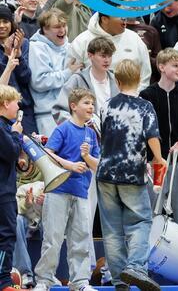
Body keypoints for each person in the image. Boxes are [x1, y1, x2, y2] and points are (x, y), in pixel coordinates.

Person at [96, 59, 165, 291]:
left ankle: (119, 281)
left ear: (117, 81)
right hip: (131, 172)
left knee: (112, 229)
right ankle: (136, 267)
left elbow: (103, 136)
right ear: (139, 79)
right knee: (140, 222)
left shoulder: (106, 105)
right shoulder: (144, 106)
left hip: (105, 172)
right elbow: (152, 135)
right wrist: (158, 158)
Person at [32, 88, 99, 291]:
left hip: (81, 192)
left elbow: (97, 165)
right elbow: (48, 153)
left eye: (92, 103)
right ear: (73, 106)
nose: (91, 107)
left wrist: (86, 157)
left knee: (80, 239)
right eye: (86, 103)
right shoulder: (62, 129)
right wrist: (69, 165)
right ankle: (44, 280)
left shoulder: (91, 134)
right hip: (58, 190)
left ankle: (79, 282)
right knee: (52, 238)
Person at [139, 49, 178, 233]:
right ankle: (151, 250)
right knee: (152, 208)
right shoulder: (147, 95)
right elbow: (142, 129)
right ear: (162, 67)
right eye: (175, 65)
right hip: (156, 161)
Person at [29, 9, 80, 137]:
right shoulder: (37, 47)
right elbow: (39, 81)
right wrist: (68, 72)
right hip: (47, 117)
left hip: (72, 114)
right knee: (53, 157)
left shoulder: (72, 47)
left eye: (64, 25)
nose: (62, 30)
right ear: (45, 29)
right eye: (57, 27)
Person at [0, 85, 22, 291]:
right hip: (3, 193)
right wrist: (16, 135)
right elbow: (11, 151)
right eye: (15, 102)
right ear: (5, 103)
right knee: (6, 235)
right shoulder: (3, 127)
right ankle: (4, 282)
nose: (18, 106)